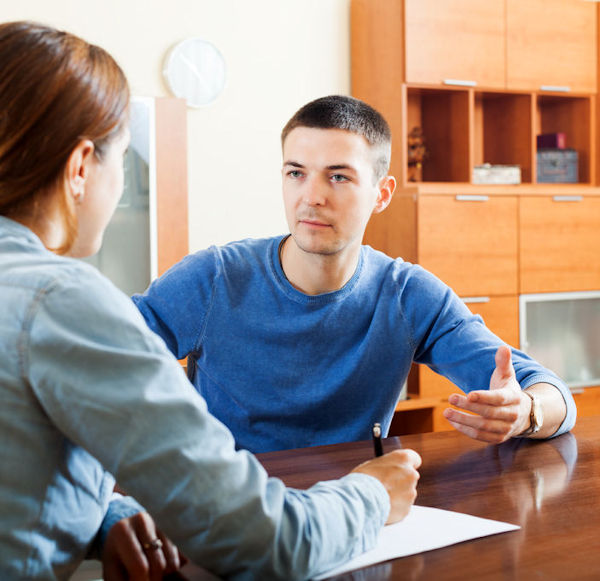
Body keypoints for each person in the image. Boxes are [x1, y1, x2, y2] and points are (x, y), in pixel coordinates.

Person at [0, 22, 422, 581]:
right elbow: (266, 544)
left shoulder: (406, 288)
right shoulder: (67, 301)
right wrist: (371, 494)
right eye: (123, 161)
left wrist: (106, 515)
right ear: (81, 167)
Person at [133, 95, 576, 454]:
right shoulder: (214, 278)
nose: (311, 197)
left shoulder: (408, 294)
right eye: (296, 173)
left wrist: (525, 413)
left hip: (354, 508)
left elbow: (551, 392)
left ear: (381, 194)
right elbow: (99, 352)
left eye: (338, 177)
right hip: (232, 515)